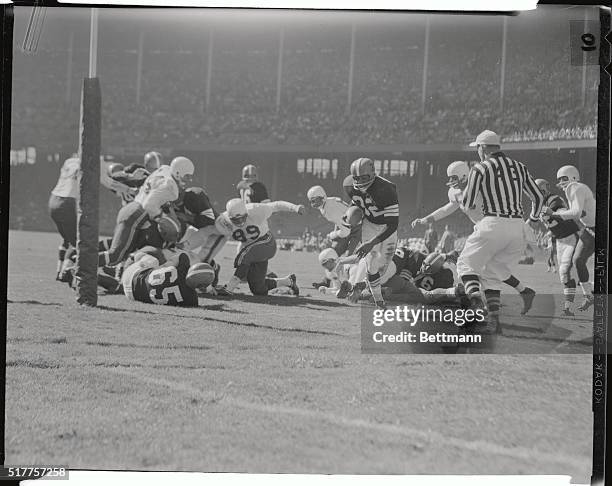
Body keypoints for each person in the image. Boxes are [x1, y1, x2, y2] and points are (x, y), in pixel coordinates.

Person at [412, 160, 536, 315]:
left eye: (455, 178)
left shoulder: (482, 188)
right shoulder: (455, 192)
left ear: (465, 176)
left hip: (495, 229)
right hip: (487, 231)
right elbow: (448, 208)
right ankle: (523, 292)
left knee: (468, 266)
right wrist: (426, 219)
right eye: (451, 178)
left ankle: (476, 302)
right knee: (493, 269)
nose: (452, 182)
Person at [459, 130, 544, 333]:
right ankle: (494, 322)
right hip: (518, 226)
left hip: (493, 222)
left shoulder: (480, 168)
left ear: (484, 148)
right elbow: (539, 198)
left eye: (478, 148)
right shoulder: (519, 167)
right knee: (492, 274)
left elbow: (468, 203)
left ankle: (476, 304)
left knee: (465, 264)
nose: (477, 152)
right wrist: (532, 220)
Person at [98, 156, 195, 268]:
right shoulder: (172, 189)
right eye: (187, 176)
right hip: (136, 214)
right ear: (178, 172)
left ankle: (85, 264)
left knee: (124, 254)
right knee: (115, 256)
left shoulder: (164, 169)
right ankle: (82, 264)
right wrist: (161, 218)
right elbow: (148, 205)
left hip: (132, 209)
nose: (188, 180)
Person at [340, 158, 399, 308]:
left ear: (373, 174)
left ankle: (363, 285)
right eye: (356, 178)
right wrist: (350, 212)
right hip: (370, 224)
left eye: (364, 177)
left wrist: (371, 242)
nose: (359, 181)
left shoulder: (386, 189)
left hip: (387, 227)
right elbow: (356, 201)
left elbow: (393, 224)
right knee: (371, 263)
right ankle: (379, 300)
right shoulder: (349, 185)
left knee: (382, 268)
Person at [214, 198, 304, 296]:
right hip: (253, 250)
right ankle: (288, 281)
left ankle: (229, 288)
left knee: (245, 254)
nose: (240, 222)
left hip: (266, 243)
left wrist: (295, 207)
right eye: (235, 220)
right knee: (258, 289)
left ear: (246, 212)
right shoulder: (223, 221)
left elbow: (276, 205)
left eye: (242, 218)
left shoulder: (255, 209)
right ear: (229, 217)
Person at [545, 165, 596, 311]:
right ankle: (589, 296)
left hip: (597, 227)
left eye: (563, 178)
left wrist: (552, 213)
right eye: (559, 179)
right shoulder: (576, 188)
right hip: (589, 228)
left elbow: (575, 213)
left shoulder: (574, 186)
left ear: (572, 177)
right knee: (578, 261)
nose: (561, 182)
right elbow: (580, 212)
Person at [48, 155, 79, 281]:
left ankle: (58, 270)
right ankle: (64, 273)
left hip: (53, 199)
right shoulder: (85, 162)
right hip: (67, 201)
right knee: (77, 242)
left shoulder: (68, 162)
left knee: (66, 239)